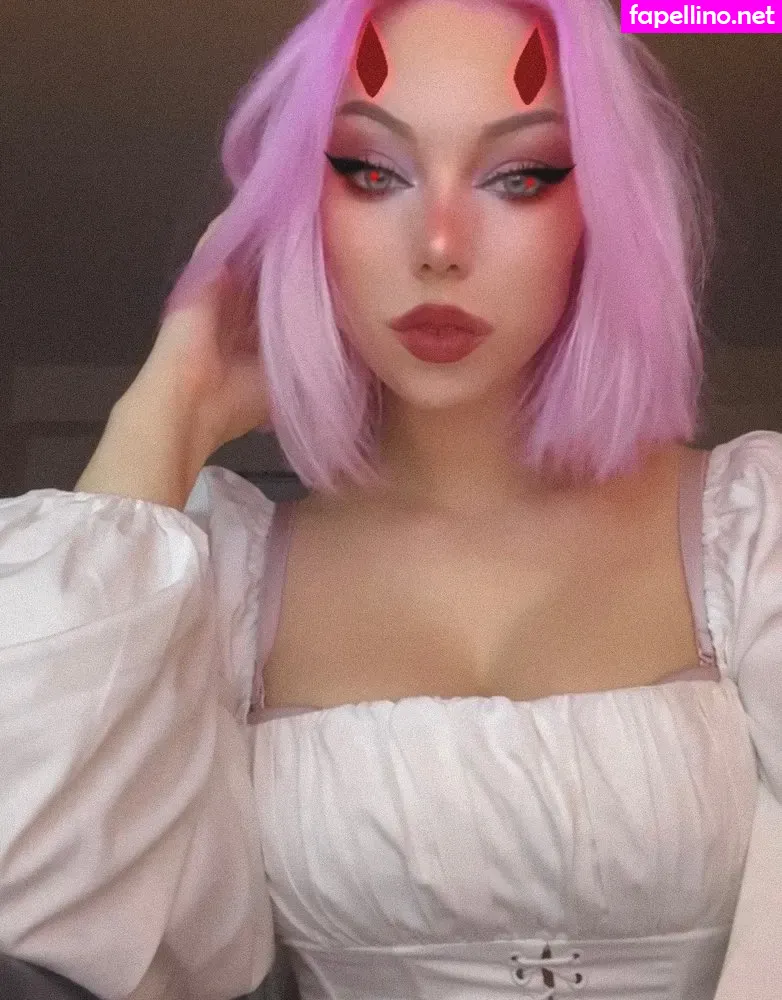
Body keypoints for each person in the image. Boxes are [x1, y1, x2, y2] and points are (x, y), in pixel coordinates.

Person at [0, 0, 780, 998]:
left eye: (520, 175)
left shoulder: (750, 532)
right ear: (300, 212)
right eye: (371, 171)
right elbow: (27, 889)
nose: (439, 243)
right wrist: (168, 405)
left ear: (602, 217)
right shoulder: (225, 589)